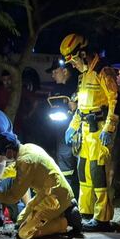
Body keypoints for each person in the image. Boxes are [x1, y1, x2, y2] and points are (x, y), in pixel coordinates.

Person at [61, 33, 119, 231]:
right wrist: (72, 126)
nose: (72, 64)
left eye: (73, 59)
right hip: (85, 130)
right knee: (83, 169)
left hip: (99, 129)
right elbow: (81, 107)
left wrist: (109, 128)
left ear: (83, 53)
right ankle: (85, 212)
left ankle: (102, 218)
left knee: (97, 171)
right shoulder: (84, 74)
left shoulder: (104, 70)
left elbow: (115, 101)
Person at [0, 131, 82, 239]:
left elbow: (13, 196)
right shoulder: (28, 147)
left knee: (24, 233)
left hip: (55, 198)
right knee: (20, 220)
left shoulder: (25, 162)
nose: (1, 158)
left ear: (9, 152)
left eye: (1, 155)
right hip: (49, 191)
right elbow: (15, 168)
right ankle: (63, 210)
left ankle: (65, 221)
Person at [47, 57, 79, 196]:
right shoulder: (54, 90)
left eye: (55, 71)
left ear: (65, 71)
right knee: (64, 166)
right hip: (60, 133)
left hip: (78, 132)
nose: (52, 75)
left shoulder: (77, 86)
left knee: (81, 166)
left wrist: (75, 107)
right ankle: (68, 197)